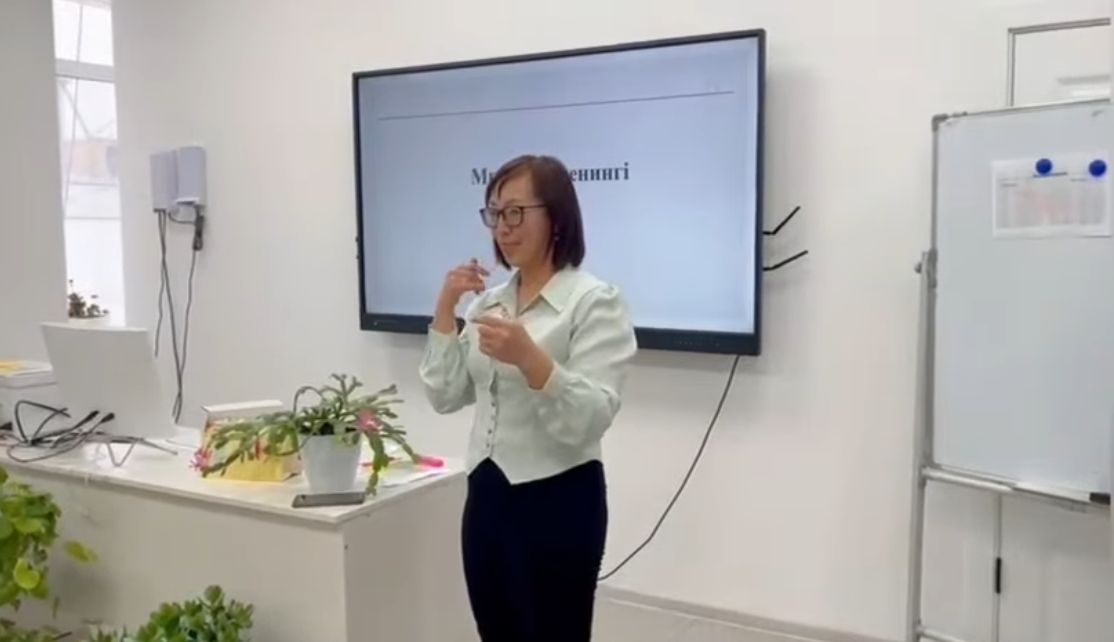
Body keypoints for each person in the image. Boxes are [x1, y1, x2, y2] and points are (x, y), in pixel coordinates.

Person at [419, 154, 638, 642]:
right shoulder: (489, 303)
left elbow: (592, 416)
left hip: (559, 500)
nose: (503, 227)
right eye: (495, 213)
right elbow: (445, 394)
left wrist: (531, 359)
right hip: (487, 497)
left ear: (556, 217)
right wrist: (445, 307)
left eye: (517, 212)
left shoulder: (594, 300)